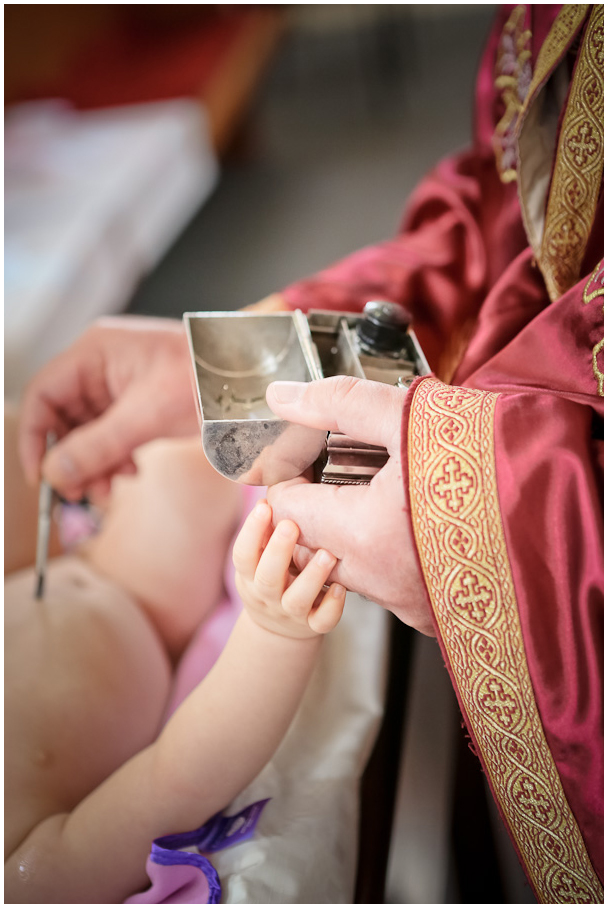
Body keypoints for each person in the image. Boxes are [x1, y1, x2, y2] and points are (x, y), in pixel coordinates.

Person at [16, 4, 603, 902]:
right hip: (142, 580)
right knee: (239, 466)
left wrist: (485, 509)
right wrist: (271, 631)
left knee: (186, 457)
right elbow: (172, 776)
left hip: (116, 551)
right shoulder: (27, 859)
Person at [5, 409, 346, 904]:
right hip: (138, 599)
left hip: (32, 566)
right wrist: (276, 631)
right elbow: (177, 777)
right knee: (189, 463)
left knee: (22, 430)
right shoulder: (32, 881)